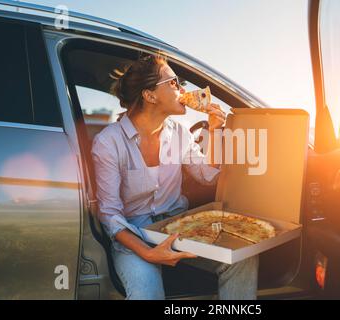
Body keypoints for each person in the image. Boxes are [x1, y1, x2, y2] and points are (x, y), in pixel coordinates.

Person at [91, 53, 258, 300]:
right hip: (135, 236)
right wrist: (148, 254)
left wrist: (215, 130)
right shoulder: (108, 142)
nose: (182, 89)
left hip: (179, 228)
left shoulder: (180, 132)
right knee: (147, 295)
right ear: (150, 96)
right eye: (173, 82)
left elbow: (208, 176)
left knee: (242, 256)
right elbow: (110, 214)